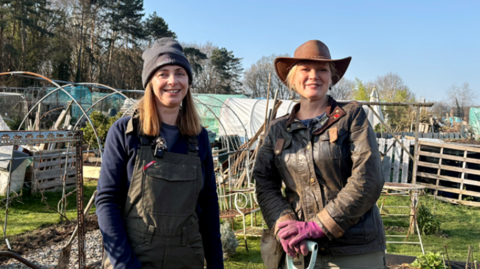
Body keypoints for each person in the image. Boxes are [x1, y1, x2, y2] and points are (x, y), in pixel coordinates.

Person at [253, 40, 387, 269]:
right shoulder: (277, 129)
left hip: (353, 251)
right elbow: (264, 182)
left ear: (331, 77)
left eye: (322, 70)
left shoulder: (352, 117)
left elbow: (368, 179)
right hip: (300, 251)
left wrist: (319, 225)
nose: (313, 75)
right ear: (293, 78)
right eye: (305, 69)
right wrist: (286, 224)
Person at [95, 37, 223, 269]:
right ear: (150, 82)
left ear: (188, 81)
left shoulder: (199, 137)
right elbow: (107, 201)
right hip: (135, 257)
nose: (173, 81)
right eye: (163, 73)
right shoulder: (125, 132)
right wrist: (125, 264)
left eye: (180, 73)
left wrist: (216, 264)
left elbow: (209, 204)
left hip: (187, 258)